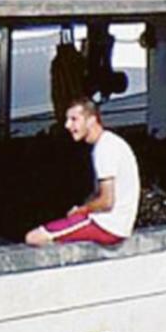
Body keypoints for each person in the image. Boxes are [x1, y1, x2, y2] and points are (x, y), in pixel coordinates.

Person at [26, 97, 139, 247]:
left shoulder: (105, 148)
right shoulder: (109, 142)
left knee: (34, 237)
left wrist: (81, 211)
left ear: (91, 120)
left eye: (74, 119)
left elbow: (107, 201)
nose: (67, 125)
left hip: (107, 226)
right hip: (114, 224)